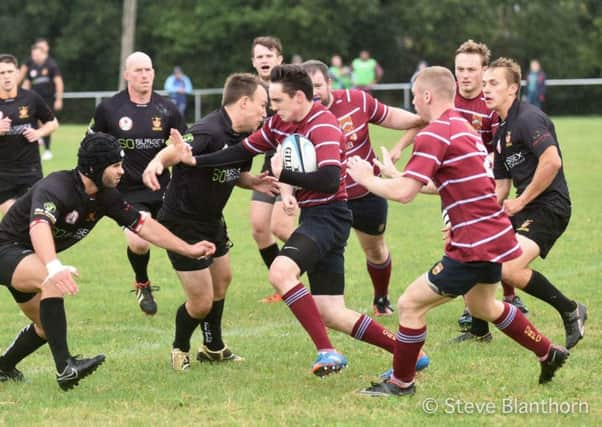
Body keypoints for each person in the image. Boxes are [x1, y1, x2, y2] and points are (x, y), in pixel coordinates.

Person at [174, 65, 428, 377]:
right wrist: (195, 160)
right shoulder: (280, 123)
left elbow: (330, 179)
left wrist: (285, 176)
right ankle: (409, 352)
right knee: (332, 312)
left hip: (330, 216)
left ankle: (328, 352)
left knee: (281, 272)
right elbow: (242, 148)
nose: (272, 108)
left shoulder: (324, 125)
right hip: (315, 216)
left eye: (277, 101)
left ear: (298, 97)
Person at [347, 66, 569, 397]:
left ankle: (400, 383)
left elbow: (405, 194)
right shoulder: (462, 128)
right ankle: (548, 351)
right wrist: (394, 174)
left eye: (414, 98)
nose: (413, 107)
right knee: (485, 307)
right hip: (493, 237)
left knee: (409, 305)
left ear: (426, 96)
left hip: (472, 244)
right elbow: (449, 183)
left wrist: (365, 179)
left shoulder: (434, 133)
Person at [0, 132, 215, 389]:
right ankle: (66, 368)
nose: (122, 171)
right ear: (94, 168)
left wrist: (188, 249)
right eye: (115, 166)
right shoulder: (56, 186)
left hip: (30, 256)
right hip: (7, 249)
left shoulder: (106, 195)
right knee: (51, 282)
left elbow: (143, 225)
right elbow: (39, 226)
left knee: (45, 327)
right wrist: (53, 266)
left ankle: (4, 367)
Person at [142, 73, 278, 370]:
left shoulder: (244, 137)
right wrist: (156, 163)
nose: (264, 112)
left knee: (222, 280)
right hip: (182, 223)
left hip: (212, 219)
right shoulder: (208, 130)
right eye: (262, 105)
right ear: (244, 102)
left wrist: (252, 181)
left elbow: (231, 172)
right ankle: (179, 348)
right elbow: (176, 151)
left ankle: (213, 347)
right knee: (201, 301)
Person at [453, 58, 586, 348]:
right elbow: (501, 187)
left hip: (551, 206)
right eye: (485, 83)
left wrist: (521, 200)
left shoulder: (528, 119)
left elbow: (552, 161)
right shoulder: (501, 132)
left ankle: (570, 309)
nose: (486, 89)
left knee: (509, 269)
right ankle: (478, 328)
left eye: (494, 84)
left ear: (513, 89)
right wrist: (473, 218)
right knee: (477, 249)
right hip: (526, 206)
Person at [301, 60, 424, 316]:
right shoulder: (297, 117)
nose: (313, 93)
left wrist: (408, 136)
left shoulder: (357, 100)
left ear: (330, 83)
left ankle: (381, 299)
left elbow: (403, 119)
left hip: (365, 193)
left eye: (318, 86)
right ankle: (331, 308)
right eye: (307, 87)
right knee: (326, 251)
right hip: (328, 200)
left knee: (375, 249)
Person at [88, 51, 186, 315]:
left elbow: (183, 147)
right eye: (138, 70)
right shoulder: (109, 108)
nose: (144, 75)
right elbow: (91, 145)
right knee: (139, 242)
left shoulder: (168, 108)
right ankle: (142, 283)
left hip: (164, 189)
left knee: (185, 239)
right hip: (127, 190)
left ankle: (198, 294)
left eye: (148, 70)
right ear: (127, 74)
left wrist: (180, 151)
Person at [452, 40, 528, 333]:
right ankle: (478, 310)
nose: (465, 75)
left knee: (492, 240)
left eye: (471, 69)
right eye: (460, 69)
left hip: (486, 181)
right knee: (464, 243)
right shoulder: (450, 98)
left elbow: (501, 148)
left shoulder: (491, 102)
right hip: (455, 186)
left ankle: (501, 301)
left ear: (484, 70)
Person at [248, 36, 296, 304]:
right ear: (253, 62)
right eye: (259, 56)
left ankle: (320, 260)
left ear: (280, 59)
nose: (264, 60)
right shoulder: (252, 92)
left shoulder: (291, 87)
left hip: (293, 167)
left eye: (269, 55)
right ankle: (282, 284)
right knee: (258, 227)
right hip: (268, 169)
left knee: (280, 226)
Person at [0, 54, 58, 216]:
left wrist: (39, 132)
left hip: (30, 172)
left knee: (34, 221)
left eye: (10, 71)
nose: (6, 76)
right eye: (1, 73)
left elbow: (53, 123)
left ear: (17, 73)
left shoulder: (30, 98)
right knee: (16, 219)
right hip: (3, 175)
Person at [18, 39, 63, 161]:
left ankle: (47, 150)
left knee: (47, 122)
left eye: (36, 55)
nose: (34, 57)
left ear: (43, 53)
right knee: (30, 120)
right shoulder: (31, 66)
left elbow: (58, 82)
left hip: (47, 100)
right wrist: (21, 96)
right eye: (33, 55)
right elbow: (26, 83)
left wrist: (59, 99)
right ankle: (38, 142)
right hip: (33, 101)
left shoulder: (51, 65)